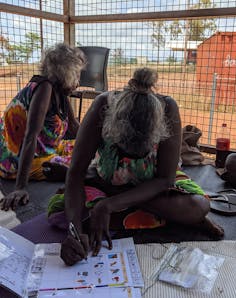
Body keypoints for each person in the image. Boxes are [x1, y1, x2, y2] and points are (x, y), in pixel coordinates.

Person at [47, 67, 224, 266]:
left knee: (198, 207)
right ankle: (127, 204)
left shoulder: (167, 109)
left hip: (153, 185)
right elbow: (75, 173)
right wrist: (75, 232)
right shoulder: (102, 107)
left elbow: (166, 179)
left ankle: (110, 194)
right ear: (111, 129)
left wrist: (109, 203)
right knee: (61, 214)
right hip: (112, 176)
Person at [0, 43, 86, 211]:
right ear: (65, 72)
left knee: (87, 152)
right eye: (77, 74)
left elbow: (75, 128)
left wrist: (99, 141)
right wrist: (20, 188)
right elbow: (30, 137)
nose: (79, 80)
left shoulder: (59, 91)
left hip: (44, 151)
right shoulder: (44, 88)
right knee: (76, 168)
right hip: (17, 161)